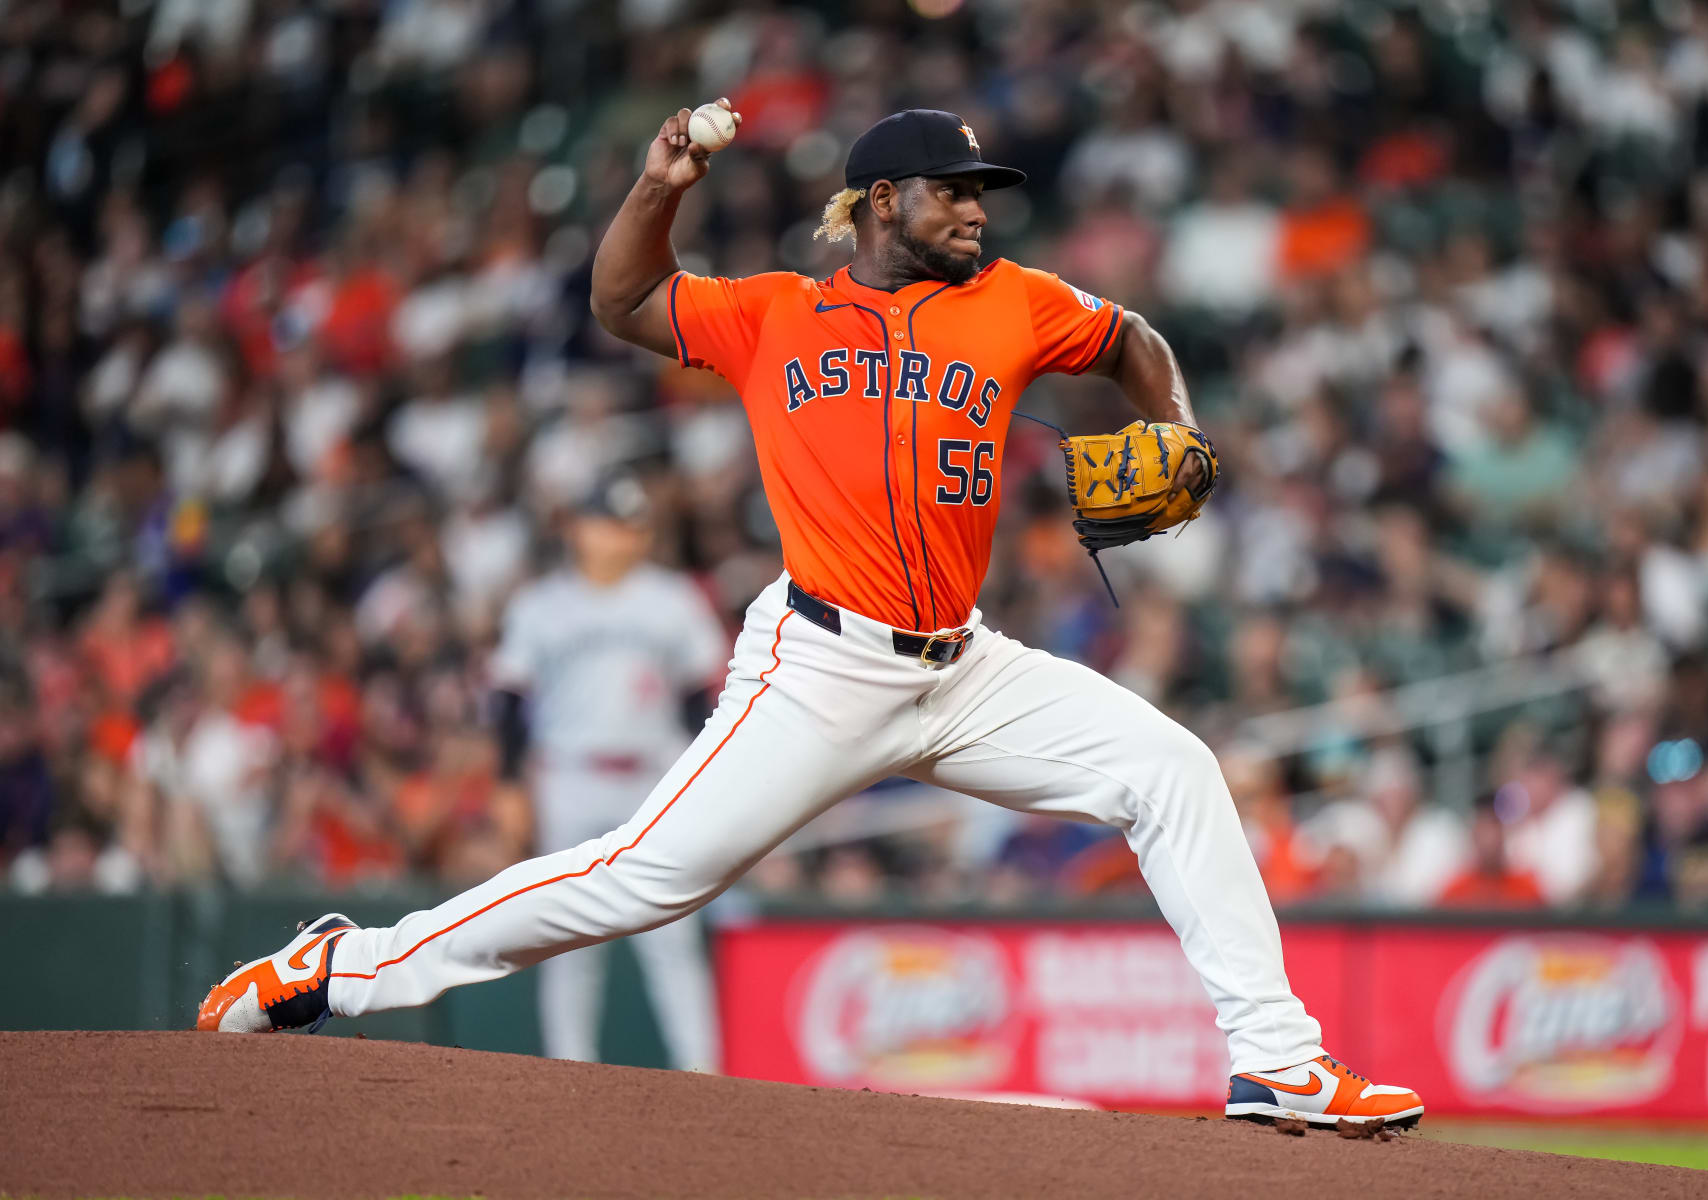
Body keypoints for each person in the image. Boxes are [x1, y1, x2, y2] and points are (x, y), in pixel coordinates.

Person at [196, 105, 1422, 1129]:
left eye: (982, 192)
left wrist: (1179, 425)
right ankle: (342, 966)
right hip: (819, 667)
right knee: (642, 877)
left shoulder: (1015, 301)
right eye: (953, 192)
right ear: (884, 200)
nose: (978, 210)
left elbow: (1134, 339)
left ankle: (1277, 1060)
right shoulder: (776, 311)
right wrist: (656, 185)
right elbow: (624, 301)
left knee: (1174, 769)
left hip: (967, 666)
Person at [489, 472, 725, 1069]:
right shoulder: (540, 605)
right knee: (567, 933)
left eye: (632, 526)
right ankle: (569, 1070)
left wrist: (710, 781)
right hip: (569, 775)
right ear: (578, 529)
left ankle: (703, 1072)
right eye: (609, 523)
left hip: (655, 774)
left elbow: (705, 698)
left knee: (671, 931)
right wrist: (509, 782)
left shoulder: (672, 598)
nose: (621, 537)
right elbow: (509, 702)